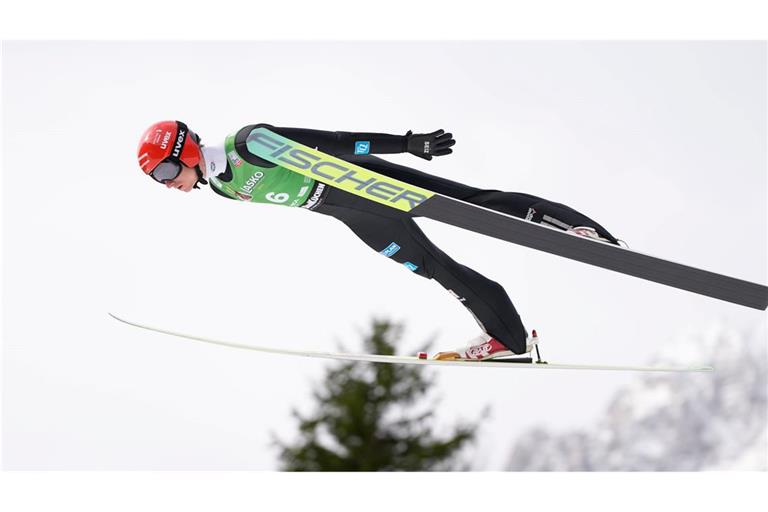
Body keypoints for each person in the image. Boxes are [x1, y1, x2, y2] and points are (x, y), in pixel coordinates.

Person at [137, 121, 620, 360]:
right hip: (349, 213)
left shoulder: (250, 144)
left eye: (164, 171)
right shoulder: (222, 188)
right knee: (434, 268)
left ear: (186, 150)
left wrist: (406, 144)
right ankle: (508, 339)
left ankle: (577, 230)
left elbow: (334, 142)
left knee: (473, 203)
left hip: (362, 181)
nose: (167, 184)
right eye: (157, 180)